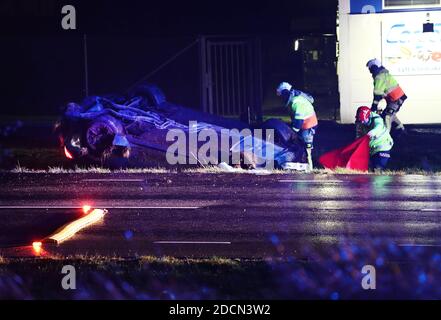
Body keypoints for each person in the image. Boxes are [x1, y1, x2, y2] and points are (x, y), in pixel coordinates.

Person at [276, 82, 318, 171]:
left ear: (285, 93)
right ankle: (303, 164)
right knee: (300, 144)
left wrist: (293, 132)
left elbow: (298, 121)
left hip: (308, 126)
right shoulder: (294, 99)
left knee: (306, 147)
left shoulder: (296, 102)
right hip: (305, 125)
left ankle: (309, 168)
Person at [366, 58, 407, 134]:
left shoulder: (379, 77)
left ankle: (385, 137)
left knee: (387, 117)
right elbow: (382, 92)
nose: (370, 71)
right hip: (396, 98)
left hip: (396, 99)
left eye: (370, 68)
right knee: (391, 114)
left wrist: (374, 106)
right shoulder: (383, 74)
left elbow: (377, 94)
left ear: (374, 68)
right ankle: (401, 129)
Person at [355, 106, 394, 171]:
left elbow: (378, 127)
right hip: (372, 149)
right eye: (360, 121)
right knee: (370, 168)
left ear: (369, 116)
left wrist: (371, 133)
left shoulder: (377, 119)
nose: (362, 122)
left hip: (383, 147)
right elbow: (358, 136)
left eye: (364, 121)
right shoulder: (360, 122)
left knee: (378, 168)